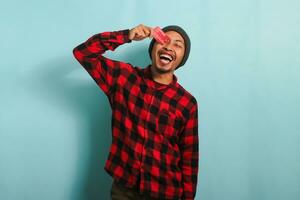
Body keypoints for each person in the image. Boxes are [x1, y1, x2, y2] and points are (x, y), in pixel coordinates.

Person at [73, 24, 199, 200]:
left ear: (182, 57)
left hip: (166, 192)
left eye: (178, 44)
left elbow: (189, 159)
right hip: (124, 190)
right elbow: (83, 53)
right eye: (164, 40)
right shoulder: (123, 78)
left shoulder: (187, 103)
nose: (169, 47)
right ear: (153, 48)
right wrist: (127, 35)